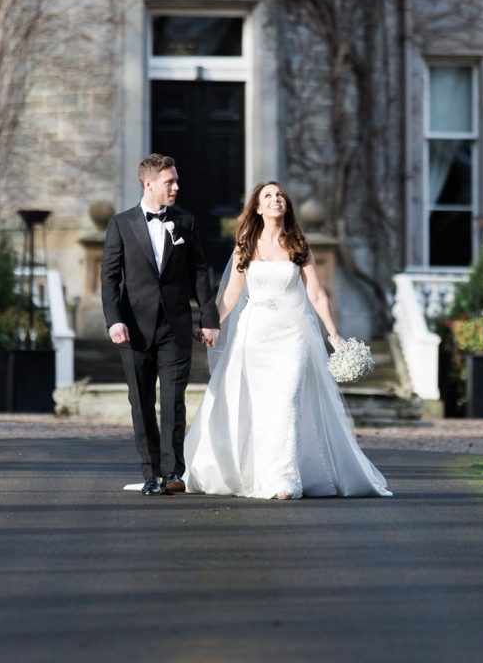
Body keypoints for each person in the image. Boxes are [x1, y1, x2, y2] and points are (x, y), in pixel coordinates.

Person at [184, 181, 391, 500]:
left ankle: (284, 478)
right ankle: (259, 471)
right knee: (262, 406)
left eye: (279, 195)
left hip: (293, 333)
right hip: (256, 335)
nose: (276, 199)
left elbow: (317, 293)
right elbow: (232, 294)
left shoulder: (297, 242)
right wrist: (211, 324)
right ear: (257, 207)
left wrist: (332, 332)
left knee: (287, 400)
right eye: (268, 196)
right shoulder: (245, 243)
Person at [102, 154, 219, 496]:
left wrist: (208, 320)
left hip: (175, 327)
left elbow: (200, 273)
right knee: (140, 401)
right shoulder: (121, 224)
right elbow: (109, 279)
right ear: (148, 183)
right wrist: (114, 320)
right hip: (133, 329)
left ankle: (172, 473)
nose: (176, 187)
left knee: (173, 401)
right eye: (170, 182)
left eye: (176, 181)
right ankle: (151, 472)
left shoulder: (186, 223)